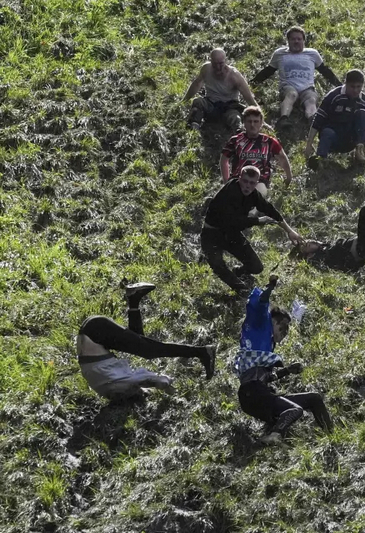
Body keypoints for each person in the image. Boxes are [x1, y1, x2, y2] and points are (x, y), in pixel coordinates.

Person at [76, 280, 216, 400]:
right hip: (92, 333)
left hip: (95, 332)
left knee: (149, 351)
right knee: (139, 341)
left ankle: (202, 352)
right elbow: (142, 380)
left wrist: (163, 383)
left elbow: (150, 379)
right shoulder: (107, 385)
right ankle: (133, 298)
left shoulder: (118, 384)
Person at [234, 275, 332, 444]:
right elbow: (261, 302)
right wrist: (270, 287)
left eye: (288, 328)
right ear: (271, 320)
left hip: (258, 394)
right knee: (295, 410)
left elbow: (266, 379)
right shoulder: (259, 325)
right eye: (283, 325)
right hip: (252, 393)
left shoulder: (266, 348)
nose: (285, 331)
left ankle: (332, 437)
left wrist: (287, 371)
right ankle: (274, 434)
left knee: (314, 398)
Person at [202, 166, 303, 292]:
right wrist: (258, 221)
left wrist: (289, 231)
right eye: (245, 181)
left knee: (256, 267)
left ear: (256, 183)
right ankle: (241, 290)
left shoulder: (253, 194)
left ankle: (238, 272)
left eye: (252, 183)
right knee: (219, 266)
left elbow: (270, 210)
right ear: (239, 179)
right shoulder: (230, 191)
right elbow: (231, 221)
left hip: (230, 234)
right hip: (212, 234)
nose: (247, 186)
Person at [251, 26, 341, 124]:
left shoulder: (312, 54)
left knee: (311, 99)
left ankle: (312, 120)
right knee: (292, 94)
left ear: (304, 41)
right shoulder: (280, 54)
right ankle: (284, 118)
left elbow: (325, 71)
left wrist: (340, 86)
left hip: (307, 88)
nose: (296, 41)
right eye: (293, 39)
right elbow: (268, 71)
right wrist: (252, 83)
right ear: (288, 41)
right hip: (288, 87)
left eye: (299, 39)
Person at [304, 69, 365, 166]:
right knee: (327, 132)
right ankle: (320, 160)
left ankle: (359, 153)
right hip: (333, 137)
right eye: (352, 87)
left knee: (362, 113)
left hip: (350, 140)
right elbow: (318, 120)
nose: (355, 90)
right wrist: (309, 144)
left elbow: (364, 125)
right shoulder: (333, 96)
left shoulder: (364, 101)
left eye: (358, 87)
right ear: (345, 84)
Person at [220, 106, 292, 193]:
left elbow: (282, 158)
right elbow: (224, 159)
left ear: (261, 123)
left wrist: (288, 177)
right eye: (249, 121)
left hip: (260, 180)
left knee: (258, 193)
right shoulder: (236, 140)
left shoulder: (269, 141)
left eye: (256, 121)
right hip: (238, 179)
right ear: (244, 122)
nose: (252, 125)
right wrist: (226, 182)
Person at [183, 48, 257, 131]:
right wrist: (184, 101)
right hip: (211, 105)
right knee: (198, 102)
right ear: (211, 61)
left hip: (229, 108)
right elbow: (196, 84)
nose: (218, 67)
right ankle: (193, 128)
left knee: (235, 118)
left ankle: (239, 134)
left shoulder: (234, 76)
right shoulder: (206, 69)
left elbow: (249, 97)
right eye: (215, 64)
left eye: (221, 63)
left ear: (226, 61)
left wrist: (259, 117)